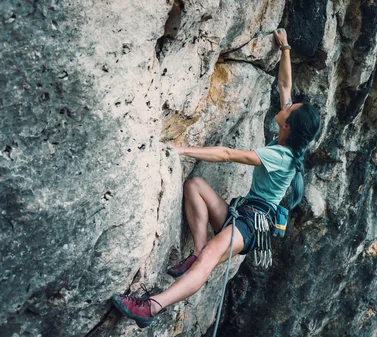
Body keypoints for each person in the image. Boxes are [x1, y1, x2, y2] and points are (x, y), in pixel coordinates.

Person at [111, 28, 322, 328]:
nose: (286, 106)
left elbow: (226, 154)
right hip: (245, 213)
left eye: (290, 110)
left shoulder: (280, 157)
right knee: (194, 186)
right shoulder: (290, 140)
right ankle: (195, 251)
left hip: (251, 224)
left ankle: (151, 308)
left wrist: (182, 149)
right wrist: (285, 47)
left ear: (288, 126)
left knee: (210, 259)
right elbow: (285, 85)